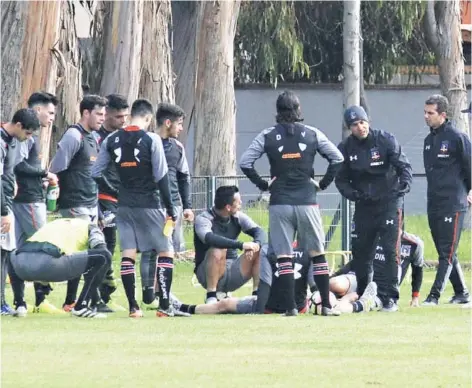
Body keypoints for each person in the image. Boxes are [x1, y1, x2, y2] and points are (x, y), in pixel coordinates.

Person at [239, 90, 344, 316]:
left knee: (284, 255)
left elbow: (245, 162)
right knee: (318, 253)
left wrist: (263, 185)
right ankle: (326, 305)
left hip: (280, 203)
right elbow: (337, 157)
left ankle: (291, 309)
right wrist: (323, 183)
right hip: (308, 202)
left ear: (277, 112)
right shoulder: (313, 133)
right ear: (299, 110)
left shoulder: (267, 135)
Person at [92, 99, 179, 318]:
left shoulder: (112, 139)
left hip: (124, 206)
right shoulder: (152, 139)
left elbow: (96, 173)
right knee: (165, 252)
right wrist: (170, 208)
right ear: (149, 118)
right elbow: (162, 176)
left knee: (128, 254)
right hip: (150, 204)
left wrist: (115, 191)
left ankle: (133, 307)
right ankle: (164, 305)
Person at [335, 105, 412, 312]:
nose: (360, 127)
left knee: (389, 250)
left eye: (362, 122)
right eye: (354, 124)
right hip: (364, 206)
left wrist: (405, 184)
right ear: (349, 128)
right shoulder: (345, 148)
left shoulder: (385, 140)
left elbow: (403, 166)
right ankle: (363, 293)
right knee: (361, 253)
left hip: (389, 203)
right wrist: (354, 194)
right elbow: (341, 180)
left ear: (368, 121)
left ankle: (390, 298)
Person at [49, 94, 107, 311]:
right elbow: (56, 169)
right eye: (98, 114)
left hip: (91, 203)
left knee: (81, 251)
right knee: (85, 251)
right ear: (86, 113)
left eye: (103, 114)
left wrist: (98, 210)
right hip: (74, 203)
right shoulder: (74, 136)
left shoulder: (93, 138)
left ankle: (74, 300)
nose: (102, 118)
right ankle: (79, 300)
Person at [12, 92, 60, 314]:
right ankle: (41, 298)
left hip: (27, 197)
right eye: (49, 113)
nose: (51, 118)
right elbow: (18, 166)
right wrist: (44, 173)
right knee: (42, 244)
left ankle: (21, 301)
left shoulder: (32, 136)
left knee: (19, 248)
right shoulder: (26, 136)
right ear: (37, 110)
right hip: (28, 199)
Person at [422, 95, 471, 306]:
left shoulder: (458, 137)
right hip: (434, 202)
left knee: (446, 252)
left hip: (454, 202)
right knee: (447, 250)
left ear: (443, 114)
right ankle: (462, 293)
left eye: (430, 113)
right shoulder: (428, 141)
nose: (426, 117)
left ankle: (433, 296)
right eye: (425, 112)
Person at [8, 218, 111, 318]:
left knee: (12, 254)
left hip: (21, 265)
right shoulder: (91, 227)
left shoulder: (54, 223)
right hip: (50, 264)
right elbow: (102, 249)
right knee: (104, 256)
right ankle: (81, 307)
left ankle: (20, 305)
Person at [193, 185, 265, 304]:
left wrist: (255, 245)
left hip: (234, 270)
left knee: (259, 248)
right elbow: (210, 238)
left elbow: (260, 232)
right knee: (218, 249)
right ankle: (211, 296)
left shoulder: (237, 216)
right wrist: (241, 245)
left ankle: (256, 296)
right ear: (228, 207)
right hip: (207, 271)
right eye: (238, 201)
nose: (241, 203)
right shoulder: (203, 218)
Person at [1, 109, 40, 315]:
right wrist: (4, 211)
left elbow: (8, 172)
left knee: (6, 253)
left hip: (7, 200)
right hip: (3, 207)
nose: (29, 138)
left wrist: (12, 182)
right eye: (28, 133)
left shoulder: (14, 142)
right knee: (3, 254)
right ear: (17, 125)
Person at [93, 94, 129, 311]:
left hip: (118, 198)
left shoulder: (123, 136)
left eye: (125, 116)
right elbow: (95, 171)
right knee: (102, 245)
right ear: (106, 114)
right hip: (102, 198)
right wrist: (112, 189)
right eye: (118, 117)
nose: (123, 121)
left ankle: (105, 292)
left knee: (111, 245)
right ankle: (96, 294)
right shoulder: (97, 137)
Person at [330, 231, 425, 308]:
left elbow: (417, 270)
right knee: (334, 284)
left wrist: (415, 297)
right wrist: (332, 276)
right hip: (360, 278)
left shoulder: (414, 243)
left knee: (348, 303)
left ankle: (344, 301)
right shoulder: (372, 237)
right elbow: (357, 261)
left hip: (380, 289)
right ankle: (338, 299)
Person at [156, 103, 193, 254]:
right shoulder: (147, 144)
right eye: (179, 124)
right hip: (152, 206)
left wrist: (187, 206)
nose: (181, 128)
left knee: (177, 249)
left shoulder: (178, 147)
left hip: (174, 206)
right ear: (168, 123)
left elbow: (184, 178)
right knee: (156, 249)